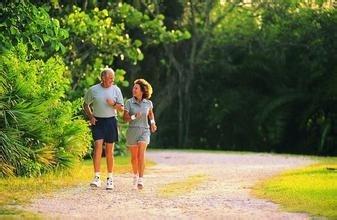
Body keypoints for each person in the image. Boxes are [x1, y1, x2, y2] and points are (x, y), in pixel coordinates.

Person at [84, 68, 124, 190]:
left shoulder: (116, 89)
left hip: (111, 120)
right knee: (97, 147)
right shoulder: (93, 90)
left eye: (113, 78)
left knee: (109, 151)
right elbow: (86, 104)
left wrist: (112, 104)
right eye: (110, 78)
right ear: (103, 78)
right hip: (98, 121)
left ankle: (110, 179)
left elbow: (121, 108)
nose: (113, 80)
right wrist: (91, 116)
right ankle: (96, 178)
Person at [123, 79, 157, 190]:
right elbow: (124, 118)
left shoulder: (148, 103)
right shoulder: (129, 102)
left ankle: (141, 179)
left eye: (136, 88)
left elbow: (151, 114)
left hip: (144, 130)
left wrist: (152, 123)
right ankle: (135, 175)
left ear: (142, 90)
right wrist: (133, 117)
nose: (134, 90)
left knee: (141, 154)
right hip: (132, 131)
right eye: (133, 88)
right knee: (134, 158)